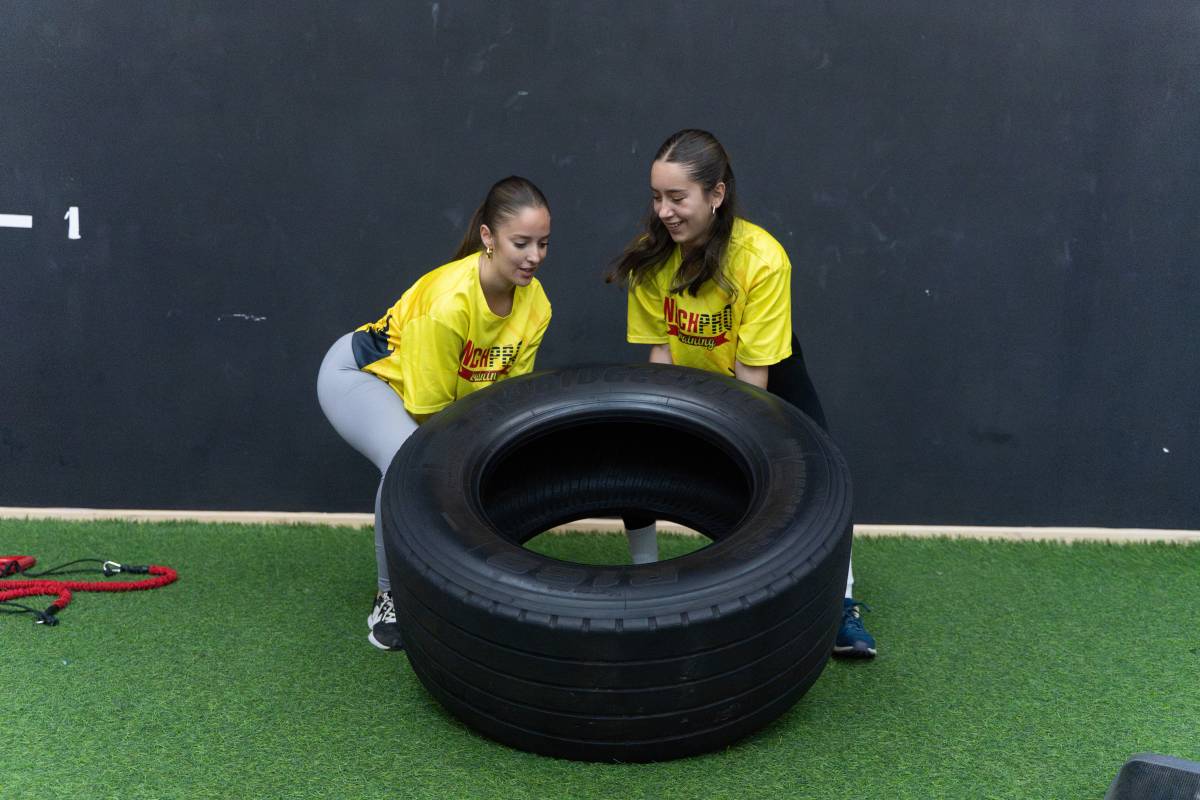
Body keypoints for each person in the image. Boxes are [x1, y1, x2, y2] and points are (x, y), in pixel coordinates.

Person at [607, 129, 876, 658]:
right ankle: (645, 583)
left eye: (677, 198)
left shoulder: (763, 260)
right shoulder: (651, 259)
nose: (664, 211)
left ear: (716, 195)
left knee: (823, 476)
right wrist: (660, 423)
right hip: (689, 377)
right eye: (657, 197)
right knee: (632, 456)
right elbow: (661, 354)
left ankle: (842, 603)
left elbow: (753, 383)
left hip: (764, 378)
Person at [317, 176, 552, 651]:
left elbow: (508, 400)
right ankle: (390, 596)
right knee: (410, 459)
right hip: (361, 378)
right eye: (520, 243)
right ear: (488, 238)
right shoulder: (448, 303)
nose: (534, 256)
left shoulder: (537, 305)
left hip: (430, 395)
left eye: (543, 244)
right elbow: (431, 422)